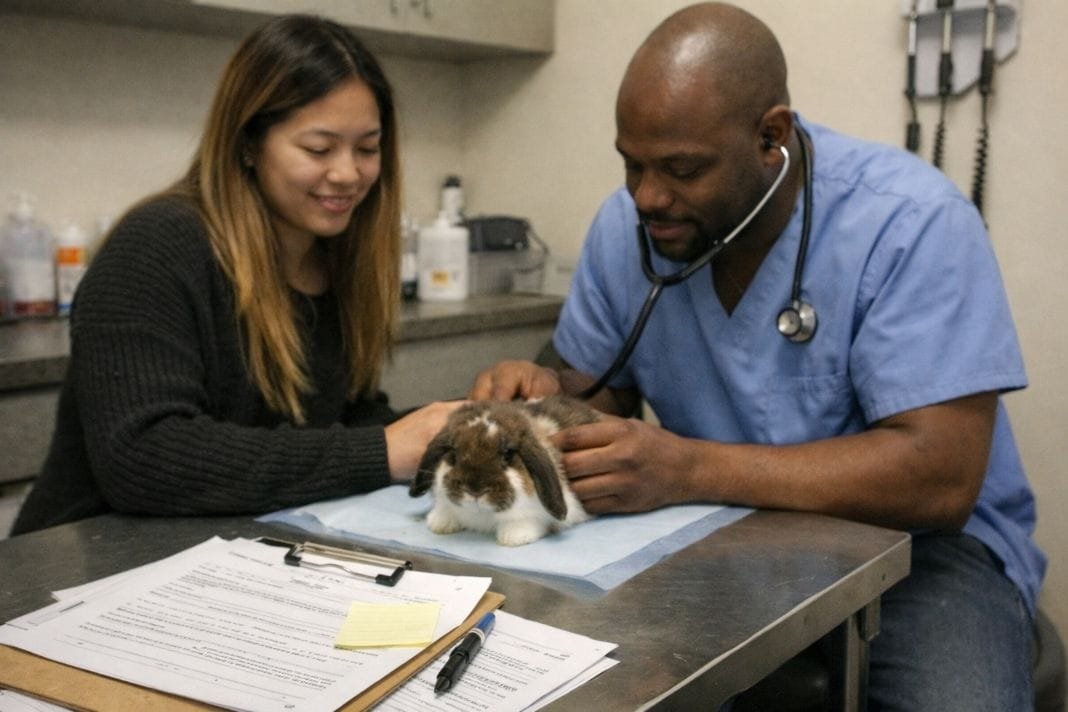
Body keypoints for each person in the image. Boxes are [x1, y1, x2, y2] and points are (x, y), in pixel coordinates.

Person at [470, 3, 1046, 710]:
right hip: (704, 531)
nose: (647, 197)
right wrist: (541, 399)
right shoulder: (628, 227)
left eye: (682, 168)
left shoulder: (911, 221)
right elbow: (598, 390)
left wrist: (688, 467)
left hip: (920, 555)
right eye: (632, 164)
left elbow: (940, 479)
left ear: (771, 135)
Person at [12, 15, 462, 536]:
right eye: (318, 149)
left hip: (229, 549)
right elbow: (144, 457)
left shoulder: (332, 256)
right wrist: (382, 450)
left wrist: (457, 431)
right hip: (85, 559)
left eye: (367, 148)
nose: (347, 173)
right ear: (248, 143)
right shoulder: (157, 245)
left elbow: (345, 422)